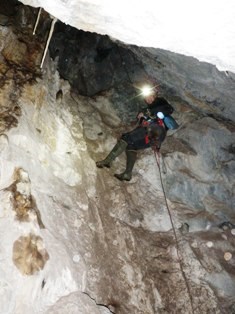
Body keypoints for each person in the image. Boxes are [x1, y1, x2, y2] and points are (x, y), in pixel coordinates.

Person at [96, 90, 174, 181]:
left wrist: (145, 112)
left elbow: (169, 109)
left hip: (154, 129)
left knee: (126, 138)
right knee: (131, 145)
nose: (147, 99)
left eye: (149, 97)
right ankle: (127, 174)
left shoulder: (159, 101)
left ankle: (107, 161)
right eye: (146, 98)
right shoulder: (151, 108)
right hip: (155, 137)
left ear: (155, 95)